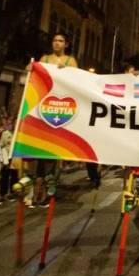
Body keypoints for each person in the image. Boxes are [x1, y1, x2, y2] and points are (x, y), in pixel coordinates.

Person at [33, 32, 80, 206]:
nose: (57, 43)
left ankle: (48, 187)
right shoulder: (44, 58)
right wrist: (31, 68)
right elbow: (35, 75)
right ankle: (37, 187)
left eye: (61, 41)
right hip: (42, 106)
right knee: (38, 150)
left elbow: (76, 82)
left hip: (61, 109)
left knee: (52, 151)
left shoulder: (70, 61)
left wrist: (66, 72)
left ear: (66, 44)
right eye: (55, 40)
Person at [0, 117, 20, 204]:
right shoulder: (5, 133)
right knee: (4, 177)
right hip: (7, 158)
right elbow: (1, 146)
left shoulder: (20, 134)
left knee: (14, 176)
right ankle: (2, 195)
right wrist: (2, 159)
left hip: (16, 158)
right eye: (14, 122)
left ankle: (12, 193)